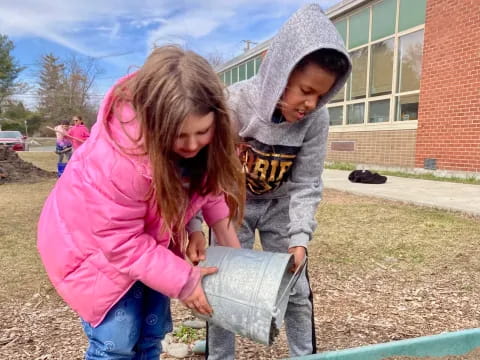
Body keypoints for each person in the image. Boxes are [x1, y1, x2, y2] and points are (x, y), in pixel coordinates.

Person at [37, 45, 245, 359]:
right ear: (153, 122)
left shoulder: (201, 145)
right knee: (116, 343)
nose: (192, 145)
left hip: (146, 247)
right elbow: (119, 241)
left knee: (150, 336)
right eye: (179, 136)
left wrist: (226, 247)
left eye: (202, 132)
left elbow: (206, 188)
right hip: (93, 251)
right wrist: (184, 282)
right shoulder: (119, 162)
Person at [187, 4, 352, 358]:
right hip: (231, 208)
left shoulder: (315, 121)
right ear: (280, 73)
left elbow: (308, 183)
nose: (311, 103)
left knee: (296, 290)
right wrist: (197, 225)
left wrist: (300, 239)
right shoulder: (234, 104)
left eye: (321, 95)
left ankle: (302, 354)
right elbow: (201, 170)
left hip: (281, 207)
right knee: (220, 283)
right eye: (306, 90)